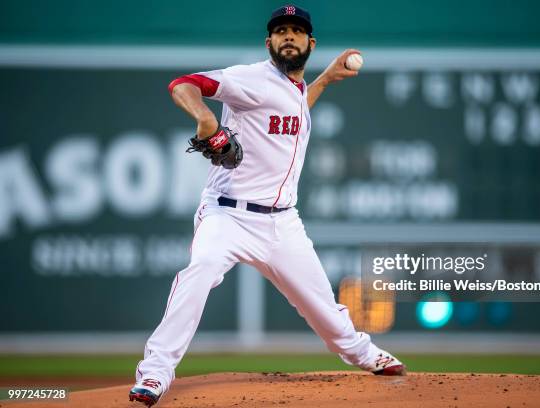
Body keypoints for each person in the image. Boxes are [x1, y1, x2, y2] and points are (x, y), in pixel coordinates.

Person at [129, 4, 405, 407]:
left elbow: (291, 114)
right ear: (269, 42)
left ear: (311, 43)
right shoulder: (250, 78)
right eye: (280, 31)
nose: (288, 36)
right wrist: (207, 122)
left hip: (282, 224)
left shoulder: (293, 91)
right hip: (228, 214)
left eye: (296, 30)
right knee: (200, 270)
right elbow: (183, 85)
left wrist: (326, 79)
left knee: (322, 307)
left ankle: (364, 354)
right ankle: (155, 372)